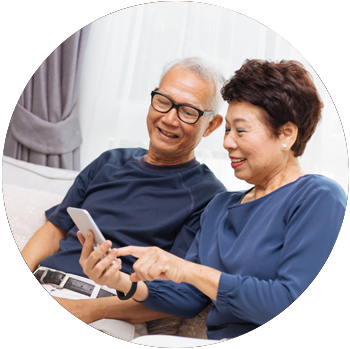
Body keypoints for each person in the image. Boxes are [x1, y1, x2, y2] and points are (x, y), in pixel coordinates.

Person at [79, 59, 347, 340]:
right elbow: (188, 299)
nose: (227, 142)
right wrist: (121, 280)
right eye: (227, 129)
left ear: (286, 134)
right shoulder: (220, 207)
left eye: (240, 130)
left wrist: (185, 269)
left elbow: (281, 302)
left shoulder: (318, 196)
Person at [21, 57, 226, 337]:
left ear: (211, 125)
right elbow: (56, 228)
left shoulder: (209, 197)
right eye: (163, 101)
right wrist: (15, 279)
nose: (169, 118)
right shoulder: (109, 162)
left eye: (188, 111)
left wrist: (89, 310)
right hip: (40, 290)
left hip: (99, 310)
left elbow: (180, 297)